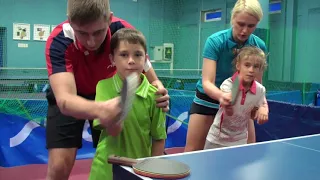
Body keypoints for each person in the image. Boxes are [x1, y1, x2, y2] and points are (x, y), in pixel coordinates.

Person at [44, 1, 169, 180]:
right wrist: (103, 109)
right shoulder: (59, 40)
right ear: (70, 22)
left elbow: (143, 61)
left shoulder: (122, 29)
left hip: (109, 90)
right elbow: (65, 100)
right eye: (82, 33)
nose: (91, 41)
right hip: (72, 95)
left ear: (109, 19)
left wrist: (156, 83)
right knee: (58, 165)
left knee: (113, 149)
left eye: (98, 32)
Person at [184, 0, 269, 152]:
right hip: (208, 100)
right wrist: (223, 96)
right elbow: (207, 82)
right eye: (240, 24)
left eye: (251, 26)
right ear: (232, 19)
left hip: (241, 104)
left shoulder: (259, 45)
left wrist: (262, 106)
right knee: (192, 152)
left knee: (248, 151)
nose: (244, 31)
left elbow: (257, 83)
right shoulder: (215, 41)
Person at [88, 28, 167, 180]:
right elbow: (109, 127)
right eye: (124, 55)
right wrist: (125, 99)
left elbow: (158, 138)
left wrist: (152, 173)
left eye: (138, 55)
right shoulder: (103, 87)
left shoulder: (154, 94)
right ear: (112, 59)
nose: (131, 60)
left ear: (145, 59)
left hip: (139, 171)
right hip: (105, 170)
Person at [204, 46, 268, 149]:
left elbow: (257, 109)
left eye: (256, 66)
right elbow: (229, 111)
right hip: (217, 138)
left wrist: (263, 109)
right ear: (238, 66)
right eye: (247, 65)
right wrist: (228, 104)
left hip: (240, 140)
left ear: (260, 70)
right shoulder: (228, 84)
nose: (251, 70)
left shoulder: (260, 90)